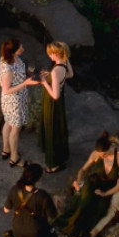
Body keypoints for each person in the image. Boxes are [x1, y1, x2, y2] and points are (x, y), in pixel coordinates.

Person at [54, 131, 119, 237]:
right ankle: (71, 229)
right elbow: (83, 170)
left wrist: (105, 193)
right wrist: (79, 181)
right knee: (85, 203)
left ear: (109, 148)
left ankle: (83, 232)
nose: (101, 156)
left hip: (108, 187)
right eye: (99, 154)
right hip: (93, 182)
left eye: (103, 154)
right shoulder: (96, 154)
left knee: (100, 209)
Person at [0, 38, 38, 167]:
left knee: (8, 123)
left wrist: (28, 74)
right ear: (14, 51)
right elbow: (6, 89)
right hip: (14, 101)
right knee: (15, 130)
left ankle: (6, 150)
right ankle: (14, 158)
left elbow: (18, 75)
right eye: (20, 47)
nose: (23, 49)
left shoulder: (11, 58)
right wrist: (25, 83)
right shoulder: (8, 68)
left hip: (17, 98)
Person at [38, 41, 73, 174]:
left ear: (55, 53)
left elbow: (55, 95)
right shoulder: (63, 64)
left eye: (50, 53)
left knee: (51, 129)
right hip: (59, 104)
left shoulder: (56, 70)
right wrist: (50, 75)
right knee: (58, 128)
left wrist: (44, 82)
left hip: (52, 104)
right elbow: (70, 74)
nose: (49, 56)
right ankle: (61, 157)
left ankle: (53, 165)